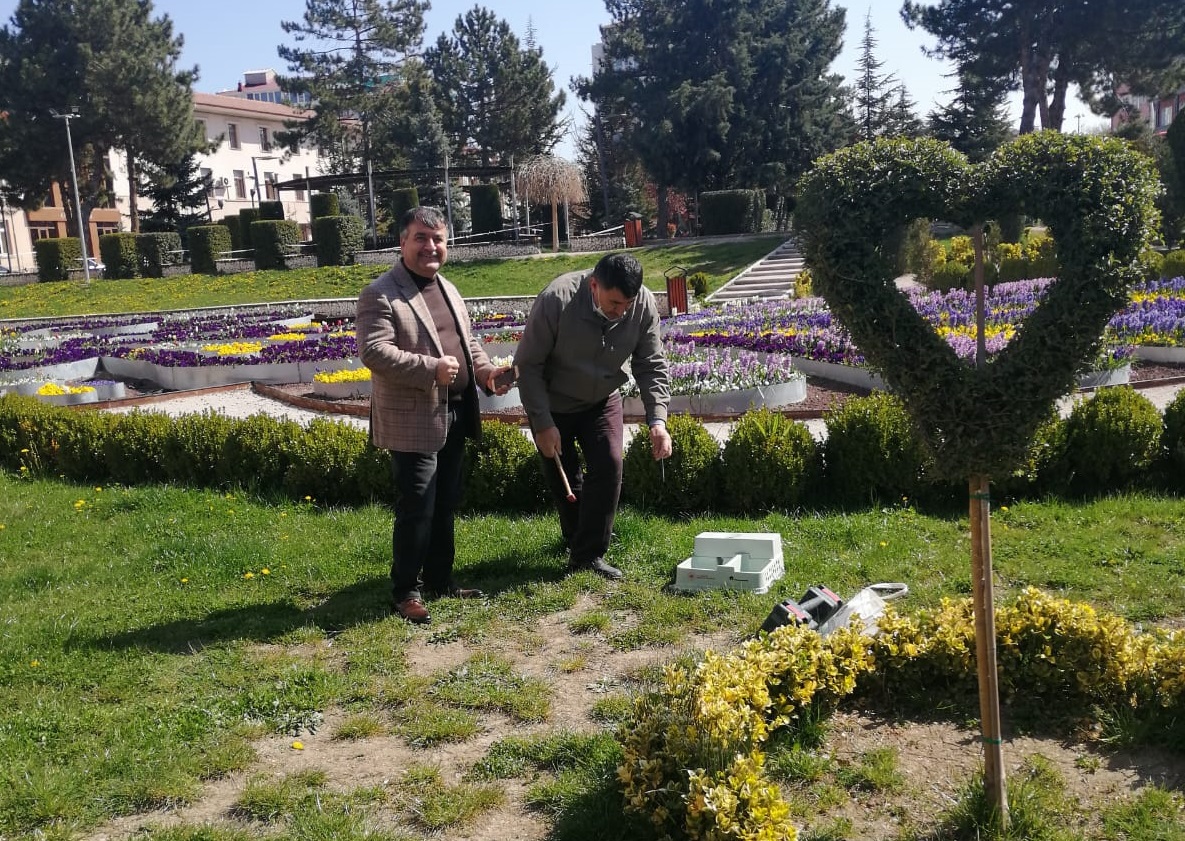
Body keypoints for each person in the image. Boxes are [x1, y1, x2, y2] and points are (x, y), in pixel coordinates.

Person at [356, 206, 512, 624]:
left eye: (438, 239)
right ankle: (405, 590)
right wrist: (432, 369)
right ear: (402, 241)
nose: (431, 246)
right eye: (421, 238)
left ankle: (441, 580)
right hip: (414, 418)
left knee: (444, 503)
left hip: (456, 414)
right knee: (417, 506)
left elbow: (468, 343)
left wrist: (487, 373)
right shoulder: (382, 292)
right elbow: (374, 351)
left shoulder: (448, 288)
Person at [514, 252, 672, 580]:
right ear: (594, 285)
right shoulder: (556, 300)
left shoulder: (641, 304)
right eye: (615, 303)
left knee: (610, 463)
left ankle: (587, 556)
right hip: (553, 401)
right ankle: (577, 539)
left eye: (627, 303)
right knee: (565, 480)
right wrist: (542, 423)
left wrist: (658, 420)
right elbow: (528, 366)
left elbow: (651, 364)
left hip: (601, 397)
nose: (621, 312)